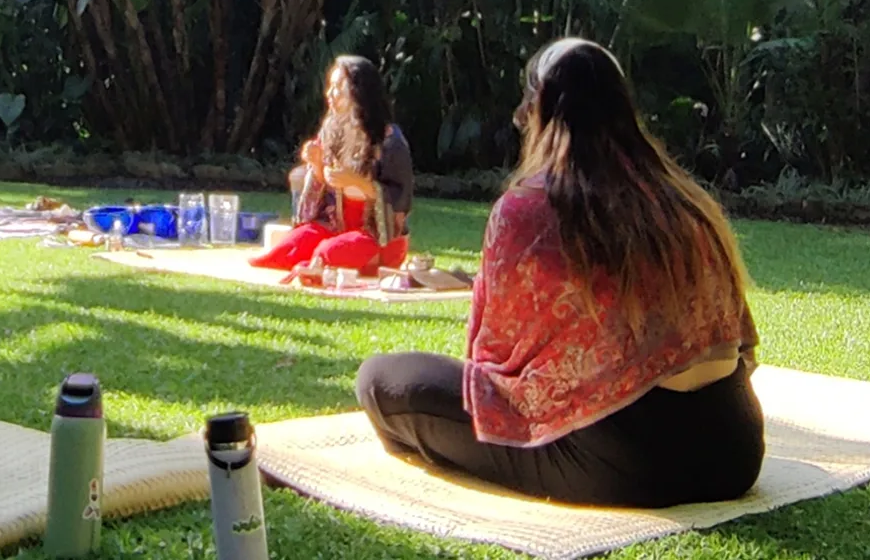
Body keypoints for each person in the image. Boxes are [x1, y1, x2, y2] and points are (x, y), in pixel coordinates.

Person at [352, 38, 763, 509]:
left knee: (379, 381)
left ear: (539, 110)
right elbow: (737, 343)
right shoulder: (686, 201)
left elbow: (497, 368)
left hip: (628, 466)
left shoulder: (529, 207)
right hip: (734, 448)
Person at [251, 56, 416, 278]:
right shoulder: (331, 132)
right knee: (288, 249)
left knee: (327, 252)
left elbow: (400, 202)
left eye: (338, 88)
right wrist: (317, 166)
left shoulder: (390, 141)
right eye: (330, 86)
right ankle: (315, 261)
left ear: (359, 93)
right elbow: (319, 200)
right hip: (336, 229)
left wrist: (359, 184)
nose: (330, 94)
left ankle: (321, 262)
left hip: (376, 238)